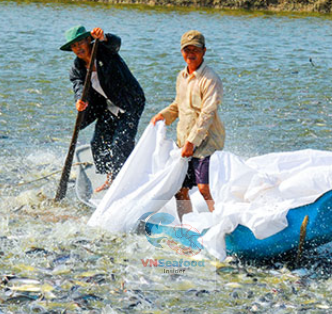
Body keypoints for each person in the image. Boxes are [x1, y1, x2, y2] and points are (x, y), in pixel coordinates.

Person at [61, 25, 145, 192]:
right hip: (108, 106)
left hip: (130, 102)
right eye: (74, 46)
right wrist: (80, 101)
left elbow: (115, 43)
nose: (78, 48)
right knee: (98, 143)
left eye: (80, 43)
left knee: (119, 143)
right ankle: (110, 176)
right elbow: (78, 85)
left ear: (88, 41)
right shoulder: (76, 68)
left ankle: (119, 180)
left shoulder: (105, 51)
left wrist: (104, 38)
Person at [150, 30, 224, 219]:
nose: (191, 54)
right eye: (187, 50)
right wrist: (162, 116)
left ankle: (220, 222)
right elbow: (178, 106)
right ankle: (188, 226)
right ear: (181, 51)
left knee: (204, 188)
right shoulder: (181, 77)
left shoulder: (210, 79)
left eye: (195, 50)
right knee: (180, 190)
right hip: (184, 143)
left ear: (204, 51)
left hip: (206, 143)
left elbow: (207, 114)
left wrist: (193, 141)